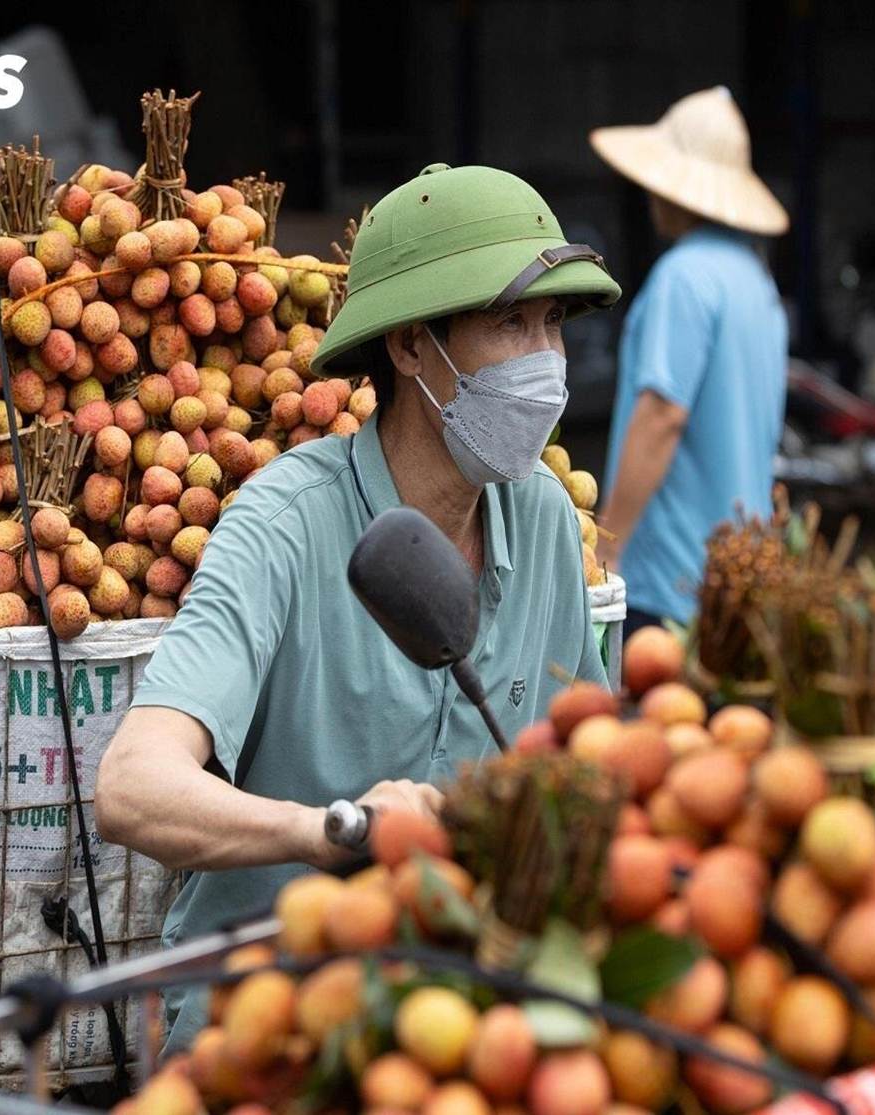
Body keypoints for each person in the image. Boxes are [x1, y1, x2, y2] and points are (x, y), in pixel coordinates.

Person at [95, 163, 620, 1047]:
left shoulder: (538, 512)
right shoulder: (281, 522)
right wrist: (328, 831)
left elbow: (589, 760)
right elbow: (133, 787)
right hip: (266, 1025)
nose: (544, 363)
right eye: (508, 324)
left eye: (552, 324)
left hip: (455, 1025)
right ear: (412, 348)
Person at [589, 86, 789, 632]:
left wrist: (608, 548)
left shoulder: (684, 276)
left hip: (672, 581)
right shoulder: (755, 279)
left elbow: (661, 417)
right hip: (741, 573)